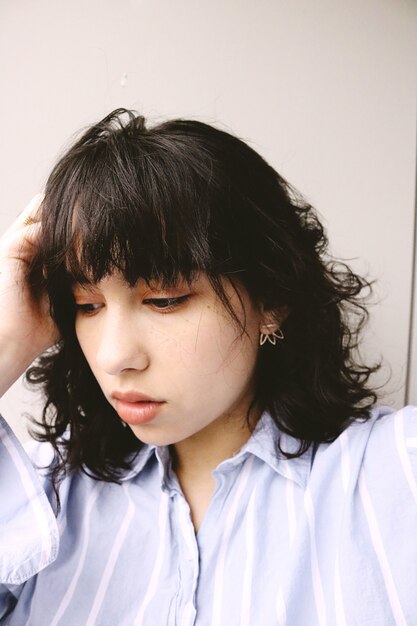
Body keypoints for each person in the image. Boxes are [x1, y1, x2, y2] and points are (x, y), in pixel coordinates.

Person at [0, 109, 416, 626]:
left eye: (166, 300)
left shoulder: (394, 472)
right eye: (86, 305)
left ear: (271, 298)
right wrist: (5, 344)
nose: (114, 356)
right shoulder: (42, 495)